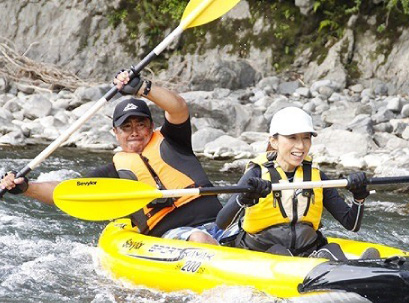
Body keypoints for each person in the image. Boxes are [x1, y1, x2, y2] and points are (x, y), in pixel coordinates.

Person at [1, 70, 222, 244]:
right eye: (126, 127)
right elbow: (66, 192)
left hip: (220, 220)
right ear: (115, 133)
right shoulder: (114, 173)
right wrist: (26, 188)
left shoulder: (173, 140)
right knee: (200, 239)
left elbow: (178, 108)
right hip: (177, 235)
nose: (134, 131)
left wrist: (142, 88)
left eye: (140, 124)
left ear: (151, 126)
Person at [215, 106, 372, 260]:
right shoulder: (256, 174)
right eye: (292, 138)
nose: (301, 146)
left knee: (333, 249)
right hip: (264, 250)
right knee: (281, 253)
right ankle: (324, 267)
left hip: (307, 248)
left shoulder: (317, 177)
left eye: (306, 138)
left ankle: (362, 268)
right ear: (274, 141)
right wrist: (244, 198)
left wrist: (359, 197)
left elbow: (351, 225)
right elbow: (222, 223)